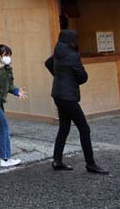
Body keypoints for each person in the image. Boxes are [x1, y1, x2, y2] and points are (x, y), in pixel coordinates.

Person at [45, 29, 110, 174]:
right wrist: (68, 78)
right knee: (84, 128)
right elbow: (83, 77)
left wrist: (60, 76)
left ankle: (57, 160)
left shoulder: (58, 52)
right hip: (68, 97)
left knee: (64, 127)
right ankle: (90, 164)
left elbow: (47, 63)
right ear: (72, 41)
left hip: (58, 94)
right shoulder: (72, 56)